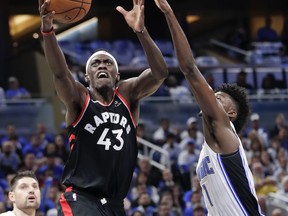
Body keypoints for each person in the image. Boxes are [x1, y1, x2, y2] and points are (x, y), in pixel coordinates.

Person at [39, 0, 168, 215]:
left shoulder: (128, 94)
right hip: (81, 198)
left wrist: (141, 31)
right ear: (87, 77)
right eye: (95, 64)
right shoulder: (80, 97)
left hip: (115, 203)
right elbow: (61, 74)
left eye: (107, 63)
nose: (101, 66)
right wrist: (48, 31)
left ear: (117, 75)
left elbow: (160, 74)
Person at [153, 0, 264, 215]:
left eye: (219, 98)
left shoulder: (225, 132)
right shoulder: (208, 148)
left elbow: (189, 69)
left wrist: (168, 12)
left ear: (230, 114)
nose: (212, 98)